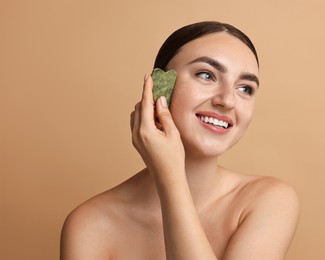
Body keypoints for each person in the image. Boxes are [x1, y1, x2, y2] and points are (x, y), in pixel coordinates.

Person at [60, 21, 300, 260]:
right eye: (206, 75)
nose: (227, 101)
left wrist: (170, 176)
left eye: (245, 88)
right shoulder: (90, 226)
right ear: (159, 89)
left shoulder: (268, 200)